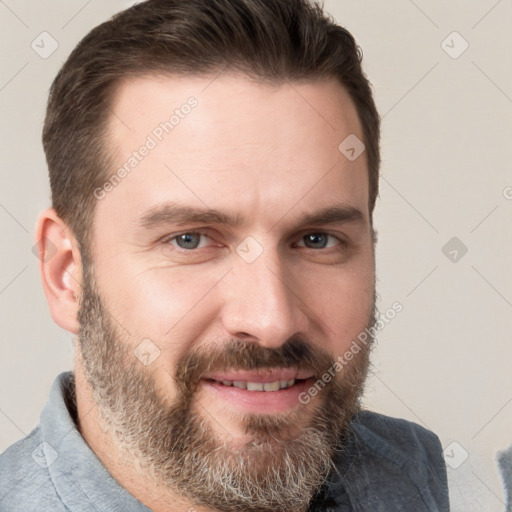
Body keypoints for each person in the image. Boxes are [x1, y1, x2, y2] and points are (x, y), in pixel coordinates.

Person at [0, 0, 449, 510]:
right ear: (66, 273)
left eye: (317, 239)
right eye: (190, 239)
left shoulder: (410, 475)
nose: (272, 320)